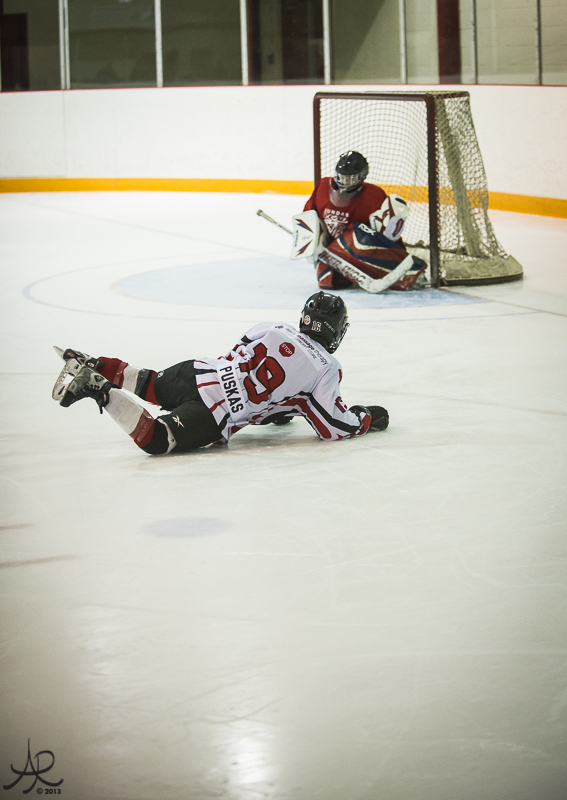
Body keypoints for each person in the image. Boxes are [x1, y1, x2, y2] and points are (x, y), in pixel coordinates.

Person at [52, 293, 389, 456]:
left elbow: (244, 356)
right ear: (337, 330)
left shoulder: (274, 326)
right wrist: (365, 417)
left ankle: (93, 363)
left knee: (148, 382)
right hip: (214, 412)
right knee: (156, 439)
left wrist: (278, 408)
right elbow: (332, 427)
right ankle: (100, 390)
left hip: (200, 370)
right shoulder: (326, 367)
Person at [303, 150, 424, 291]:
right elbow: (308, 217)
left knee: (357, 233)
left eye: (351, 179)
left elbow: (383, 236)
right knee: (328, 282)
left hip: (360, 251)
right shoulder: (323, 187)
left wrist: (401, 259)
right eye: (341, 178)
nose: (344, 183)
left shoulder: (374, 195)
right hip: (332, 251)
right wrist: (311, 242)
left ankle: (407, 271)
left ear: (362, 177)